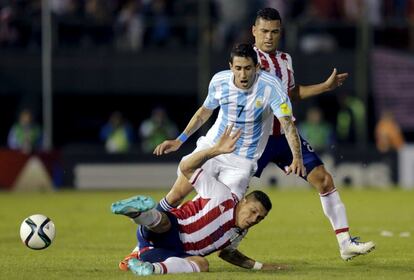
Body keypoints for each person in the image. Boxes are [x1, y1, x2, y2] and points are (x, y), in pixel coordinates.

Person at [251, 7, 374, 260]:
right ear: (254, 31)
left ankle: (345, 244)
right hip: (255, 139)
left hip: (285, 138)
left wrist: (325, 87)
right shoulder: (247, 61)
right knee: (229, 191)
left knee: (324, 179)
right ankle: (200, 236)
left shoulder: (285, 59)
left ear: (281, 33)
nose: (269, 37)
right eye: (264, 31)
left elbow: (292, 93)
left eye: (274, 32)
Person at [112, 126, 286, 276]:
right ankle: (137, 212)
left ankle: (149, 268)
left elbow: (228, 254)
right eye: (254, 211)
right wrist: (215, 150)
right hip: (167, 230)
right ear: (243, 201)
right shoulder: (222, 195)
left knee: (202, 264)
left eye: (260, 218)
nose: (254, 219)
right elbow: (186, 167)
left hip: (169, 254)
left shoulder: (240, 231)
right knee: (165, 222)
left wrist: (260, 266)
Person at [154, 43, 305, 209]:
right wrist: (179, 140)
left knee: (223, 211)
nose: (243, 74)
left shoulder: (272, 87)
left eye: (248, 68)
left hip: (242, 160)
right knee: (175, 196)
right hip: (213, 147)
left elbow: (288, 125)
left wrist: (297, 157)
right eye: (238, 68)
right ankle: (149, 230)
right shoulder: (219, 81)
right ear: (230, 67)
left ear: (257, 67)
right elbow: (204, 111)